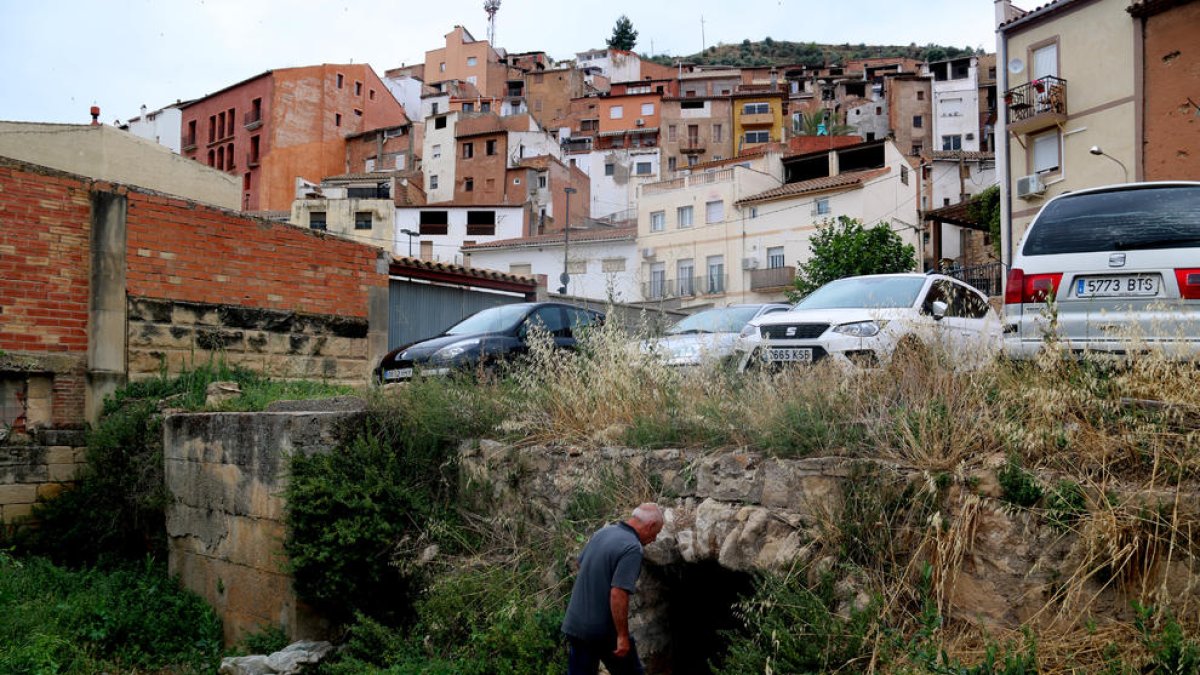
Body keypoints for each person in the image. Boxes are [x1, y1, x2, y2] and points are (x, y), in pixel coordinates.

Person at [562, 503, 665, 675]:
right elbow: (618, 593)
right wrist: (622, 636)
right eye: (656, 533)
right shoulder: (632, 548)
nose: (654, 539)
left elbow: (581, 563)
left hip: (575, 624)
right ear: (650, 526)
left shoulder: (604, 532)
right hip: (602, 631)